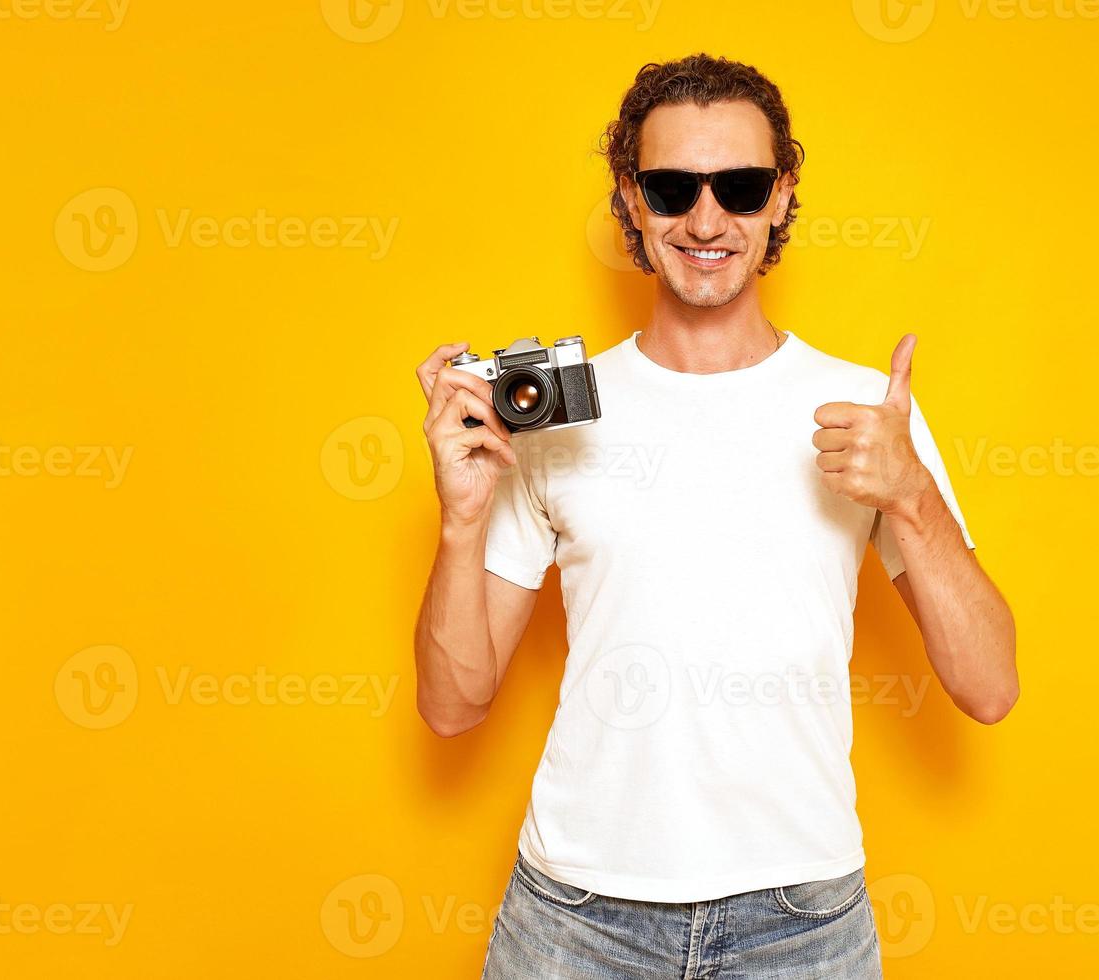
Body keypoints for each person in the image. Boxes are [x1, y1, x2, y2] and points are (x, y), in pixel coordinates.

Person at [413, 53, 1018, 979]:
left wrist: (913, 495)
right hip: (578, 919)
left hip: (801, 921)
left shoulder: (869, 414)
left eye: (737, 188)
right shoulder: (552, 415)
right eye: (671, 187)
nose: (705, 221)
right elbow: (454, 706)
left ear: (780, 196)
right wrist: (461, 521)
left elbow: (990, 687)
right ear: (631, 199)